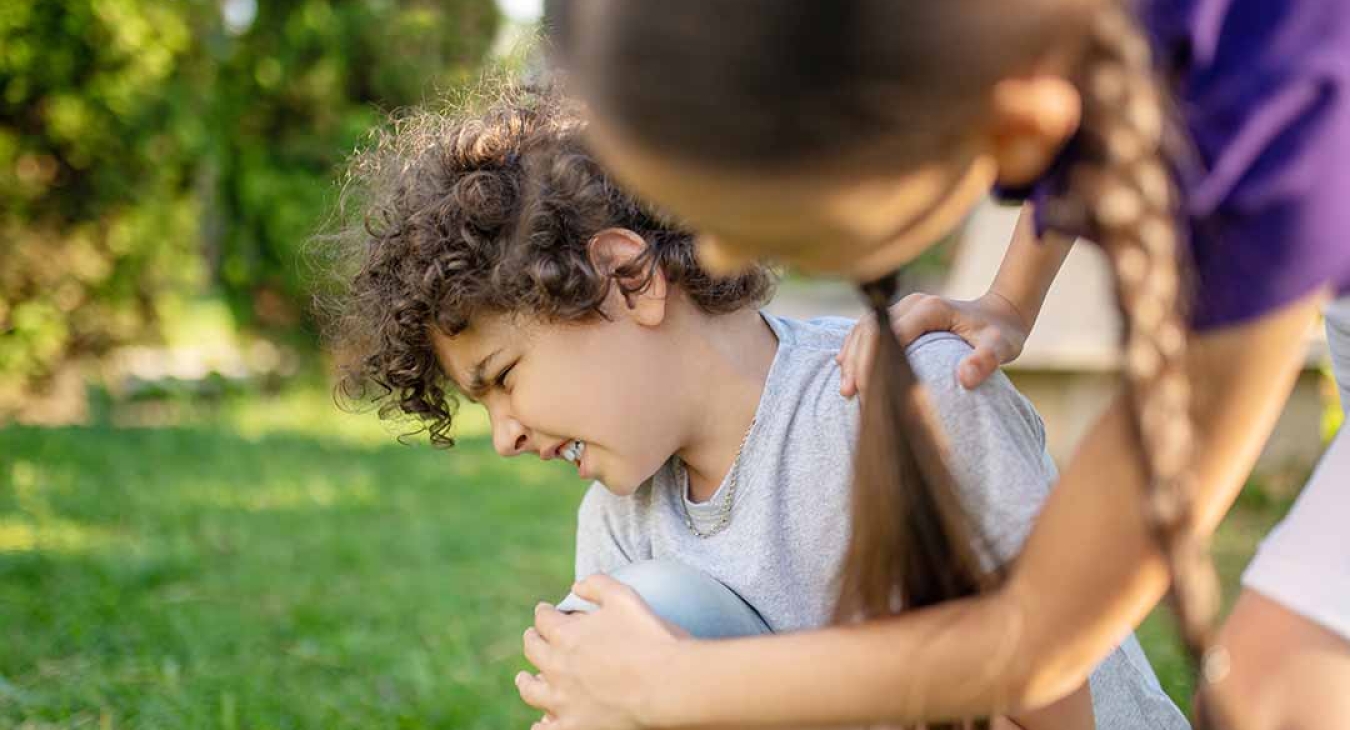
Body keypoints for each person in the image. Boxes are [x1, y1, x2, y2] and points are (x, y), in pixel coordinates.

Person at [518, 1, 1350, 727]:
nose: (723, 257)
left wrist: (664, 685)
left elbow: (1041, 638)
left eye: (760, 223)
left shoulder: (1273, 131)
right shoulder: (1029, 46)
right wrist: (1011, 300)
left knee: (1280, 689)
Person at [318, 79, 1184, 729]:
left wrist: (692, 690)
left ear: (625, 278)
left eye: (503, 377)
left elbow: (1049, 694)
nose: (504, 436)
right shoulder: (621, 525)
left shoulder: (900, 401)